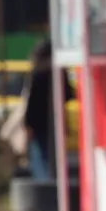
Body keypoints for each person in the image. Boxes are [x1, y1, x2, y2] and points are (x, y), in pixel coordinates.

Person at [22, 39, 73, 180]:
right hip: (57, 121)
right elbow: (69, 95)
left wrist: (28, 125)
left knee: (40, 159)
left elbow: (31, 102)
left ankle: (44, 185)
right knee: (56, 157)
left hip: (39, 124)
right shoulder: (60, 72)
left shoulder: (37, 73)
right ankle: (55, 183)